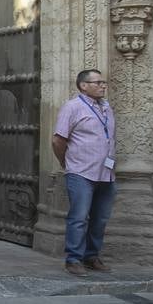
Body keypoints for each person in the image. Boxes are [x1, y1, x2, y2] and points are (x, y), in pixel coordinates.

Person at [52, 69, 117, 276]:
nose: (102, 85)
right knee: (79, 217)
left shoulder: (106, 108)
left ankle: (91, 256)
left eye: (103, 82)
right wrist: (66, 162)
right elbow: (58, 140)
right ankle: (73, 259)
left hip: (106, 173)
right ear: (83, 86)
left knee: (101, 218)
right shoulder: (72, 107)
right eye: (97, 82)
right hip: (81, 171)